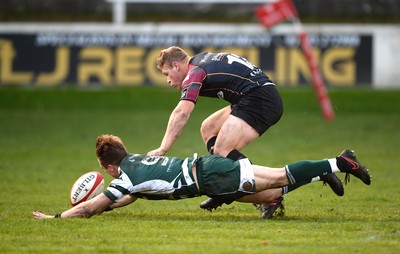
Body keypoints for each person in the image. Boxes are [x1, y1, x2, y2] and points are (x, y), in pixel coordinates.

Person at [32, 134, 371, 219]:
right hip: (208, 172)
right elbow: (125, 198)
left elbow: (94, 207)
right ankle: (324, 172)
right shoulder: (138, 161)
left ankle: (338, 162)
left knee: (279, 178)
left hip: (212, 177)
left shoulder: (124, 178)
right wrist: (105, 205)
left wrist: (57, 217)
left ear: (108, 168)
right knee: (271, 193)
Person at [147, 46, 285, 217]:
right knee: (209, 127)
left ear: (176, 66)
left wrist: (163, 148)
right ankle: (227, 186)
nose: (168, 80)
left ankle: (270, 191)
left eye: (166, 74)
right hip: (254, 95)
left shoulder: (195, 72)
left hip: (259, 99)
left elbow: (182, 112)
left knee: (222, 150)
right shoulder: (200, 60)